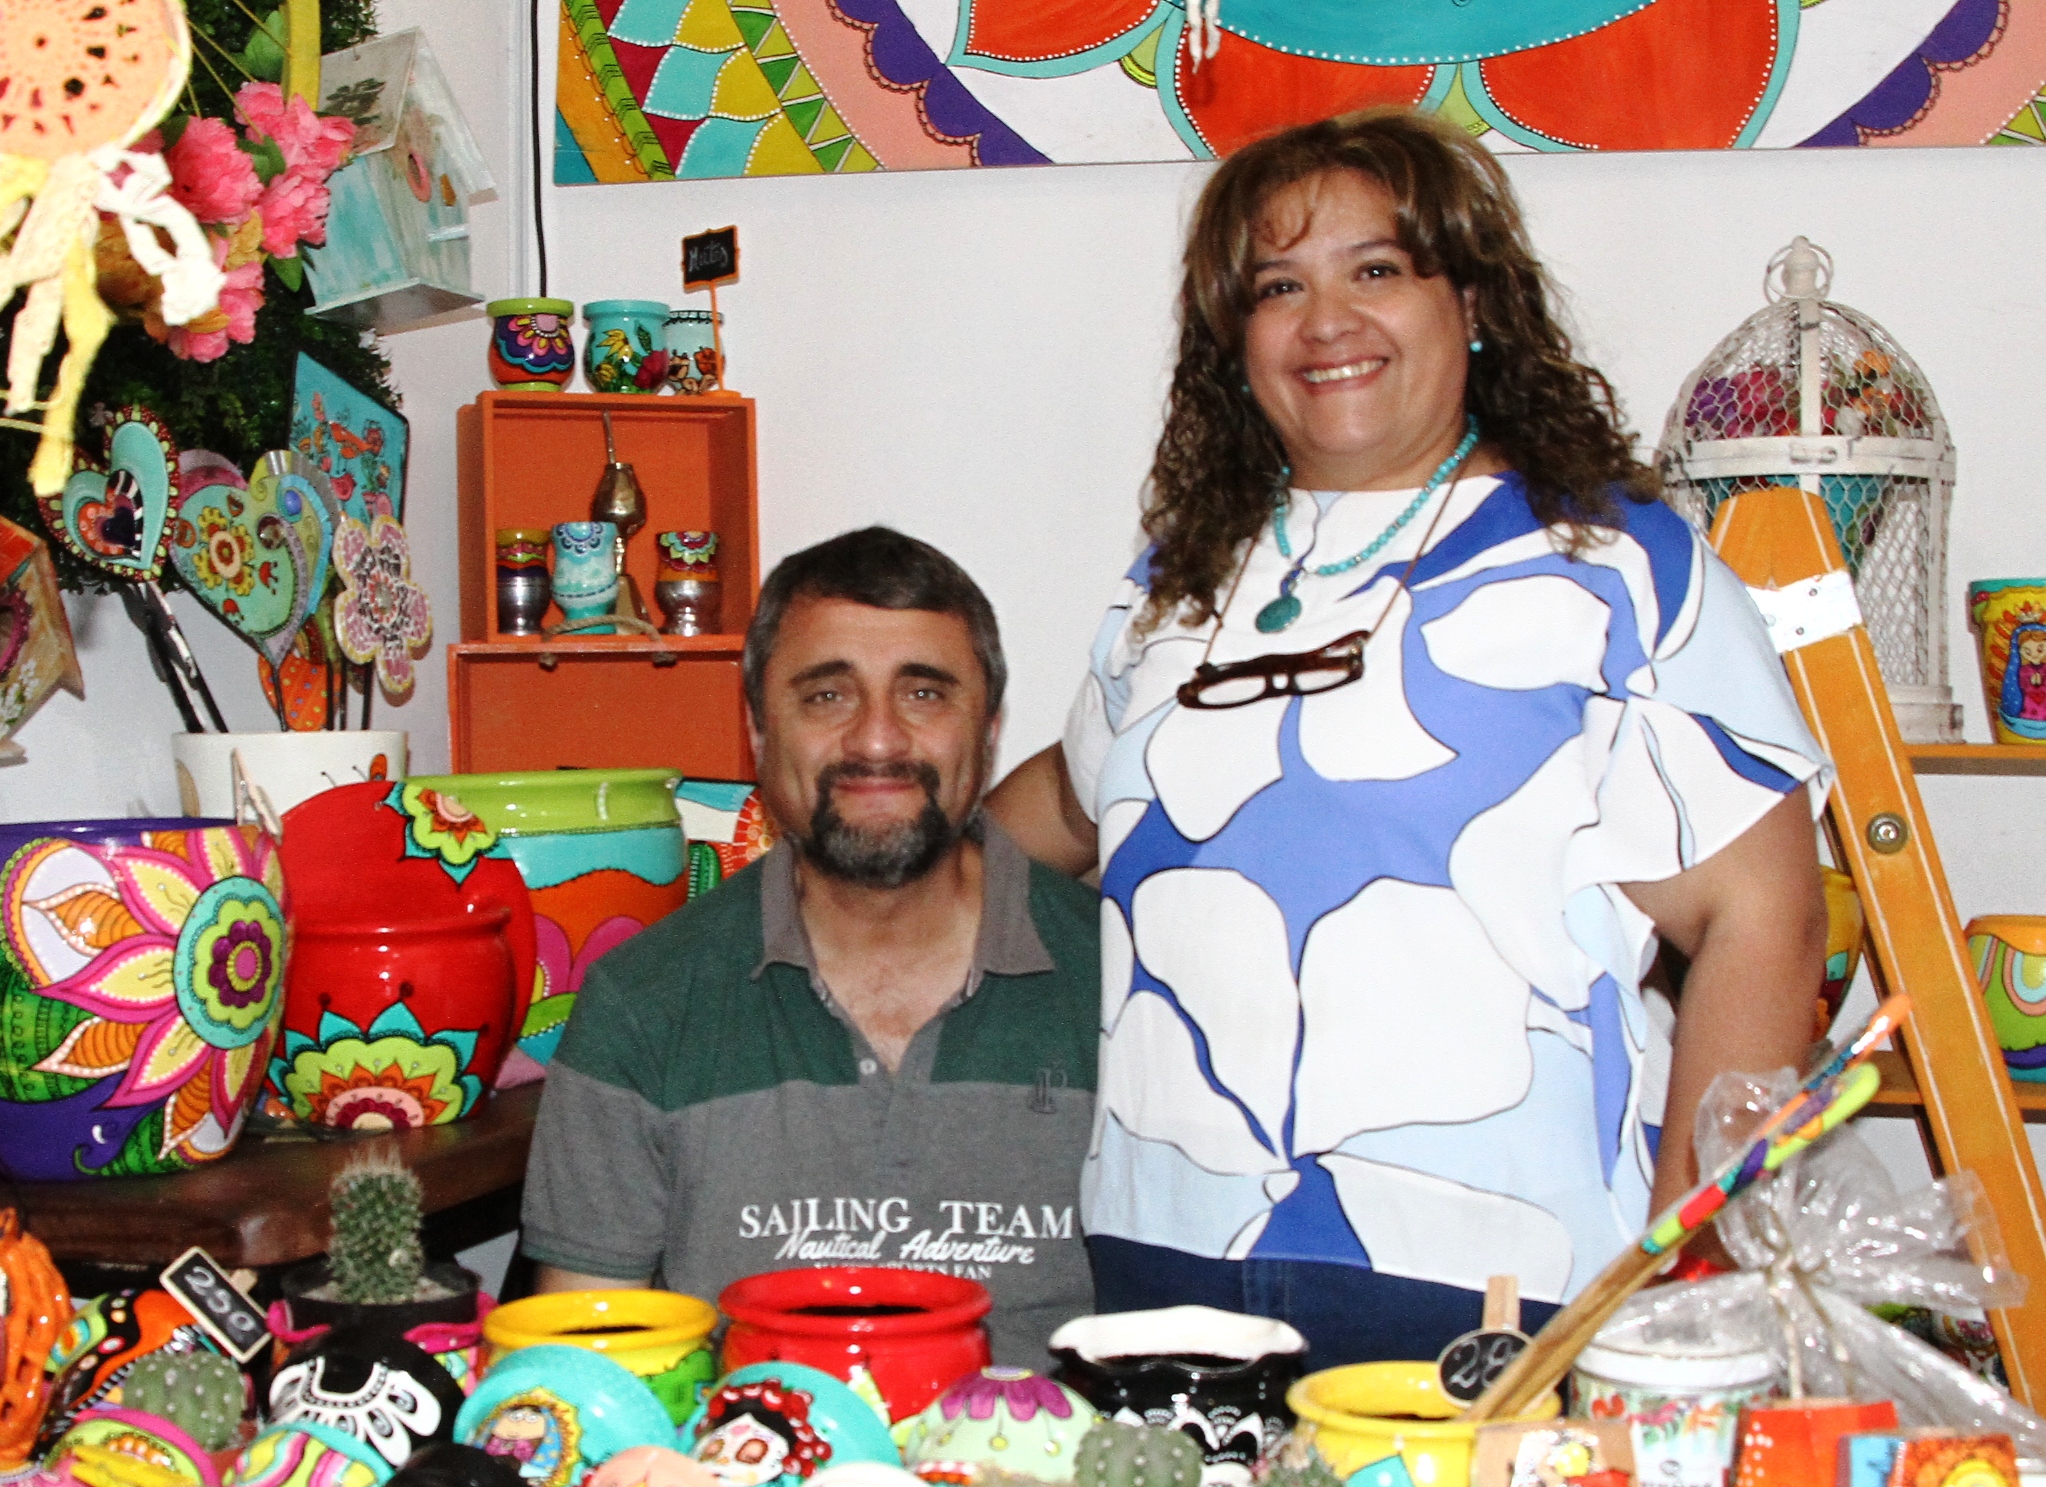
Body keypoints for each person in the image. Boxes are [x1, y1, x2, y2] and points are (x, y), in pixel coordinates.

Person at [987, 109, 1830, 1368]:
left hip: (1495, 1286)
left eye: (1374, 269)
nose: (1325, 321)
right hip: (1159, 1261)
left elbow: (1764, 919)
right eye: (1278, 287)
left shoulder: (1616, 568)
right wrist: (850, 890)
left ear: (1472, 302)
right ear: (1235, 342)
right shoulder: (1180, 576)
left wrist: (1675, 1293)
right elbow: (1070, 801)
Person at [522, 527, 1104, 1367]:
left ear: (988, 731)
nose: (877, 740)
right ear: (759, 730)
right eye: (828, 695)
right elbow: (582, 1380)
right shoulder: (641, 1004)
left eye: (924, 693)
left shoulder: (1123, 986)